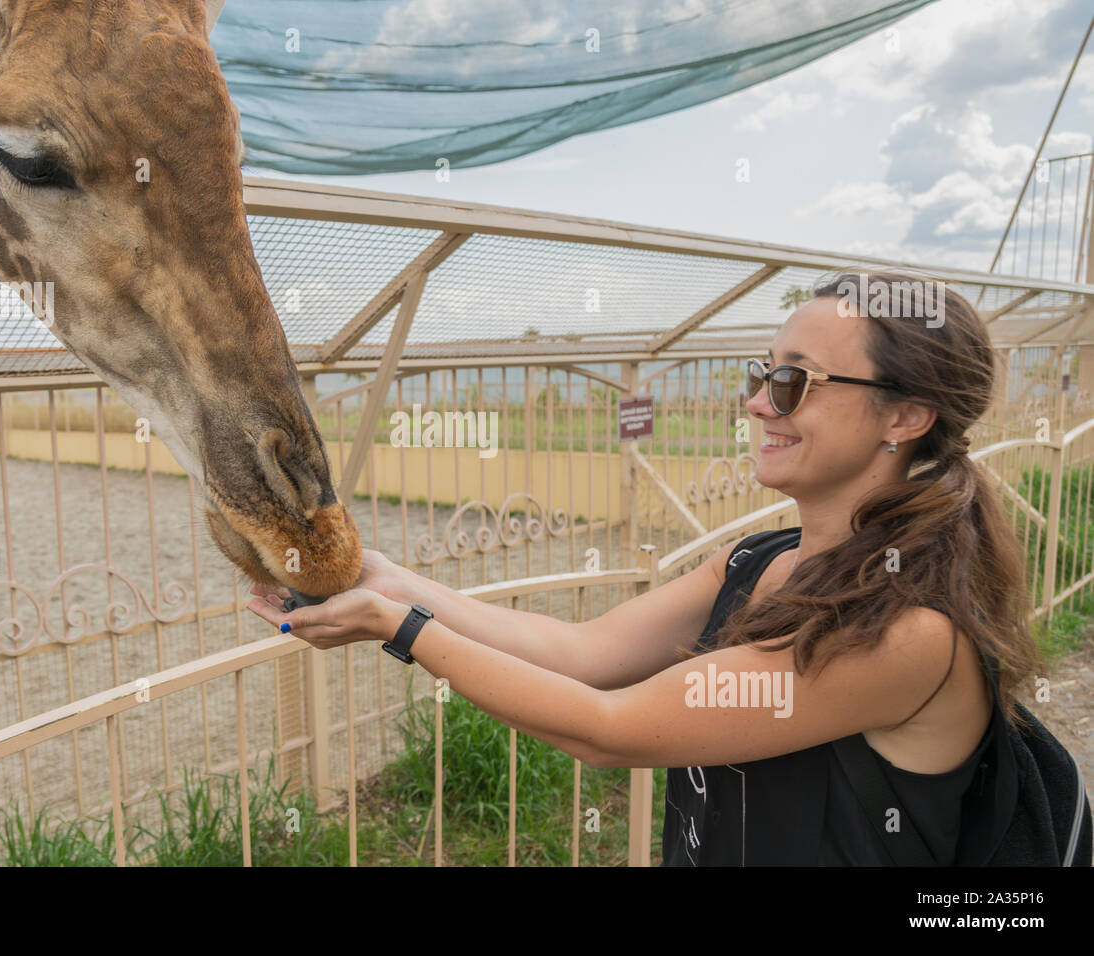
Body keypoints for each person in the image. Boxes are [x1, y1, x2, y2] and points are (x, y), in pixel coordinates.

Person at [247, 269, 1044, 865]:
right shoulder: (756, 559)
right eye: (761, 375)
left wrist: (400, 629)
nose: (760, 403)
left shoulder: (906, 631)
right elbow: (585, 656)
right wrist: (391, 581)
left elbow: (611, 731)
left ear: (906, 416)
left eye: (794, 381)